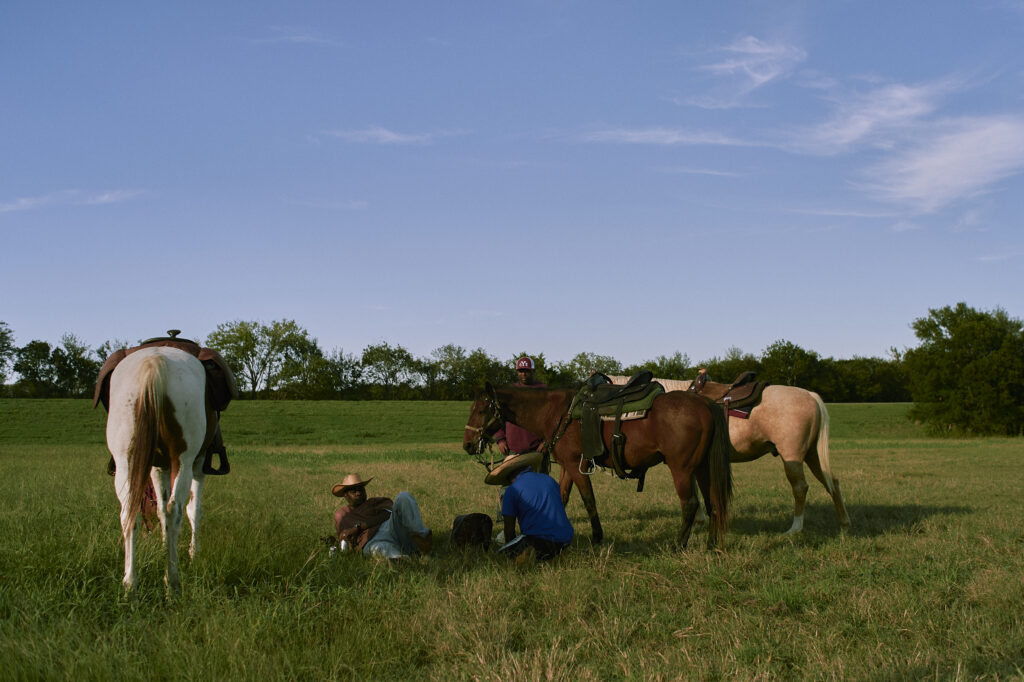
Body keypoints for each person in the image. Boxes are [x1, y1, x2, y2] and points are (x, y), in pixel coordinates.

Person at [485, 453, 574, 562]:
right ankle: (559, 552)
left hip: (537, 540)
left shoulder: (512, 490)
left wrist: (510, 551)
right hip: (566, 539)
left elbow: (509, 530)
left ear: (508, 475)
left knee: (499, 554)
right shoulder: (549, 480)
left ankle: (531, 555)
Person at [332, 473, 432, 559]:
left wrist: (358, 527)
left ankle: (421, 538)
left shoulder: (374, 502)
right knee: (378, 549)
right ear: (345, 495)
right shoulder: (342, 515)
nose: (358, 493)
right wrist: (343, 539)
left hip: (390, 528)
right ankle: (404, 559)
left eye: (361, 489)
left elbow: (388, 513)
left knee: (403, 497)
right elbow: (345, 539)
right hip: (372, 541)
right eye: (353, 491)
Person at [494, 356, 547, 456]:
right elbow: (498, 417)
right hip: (513, 450)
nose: (523, 374)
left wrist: (546, 442)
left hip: (537, 450)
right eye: (520, 371)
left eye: (527, 371)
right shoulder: (509, 392)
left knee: (537, 473)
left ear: (533, 371)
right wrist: (500, 439)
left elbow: (553, 420)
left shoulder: (544, 391)